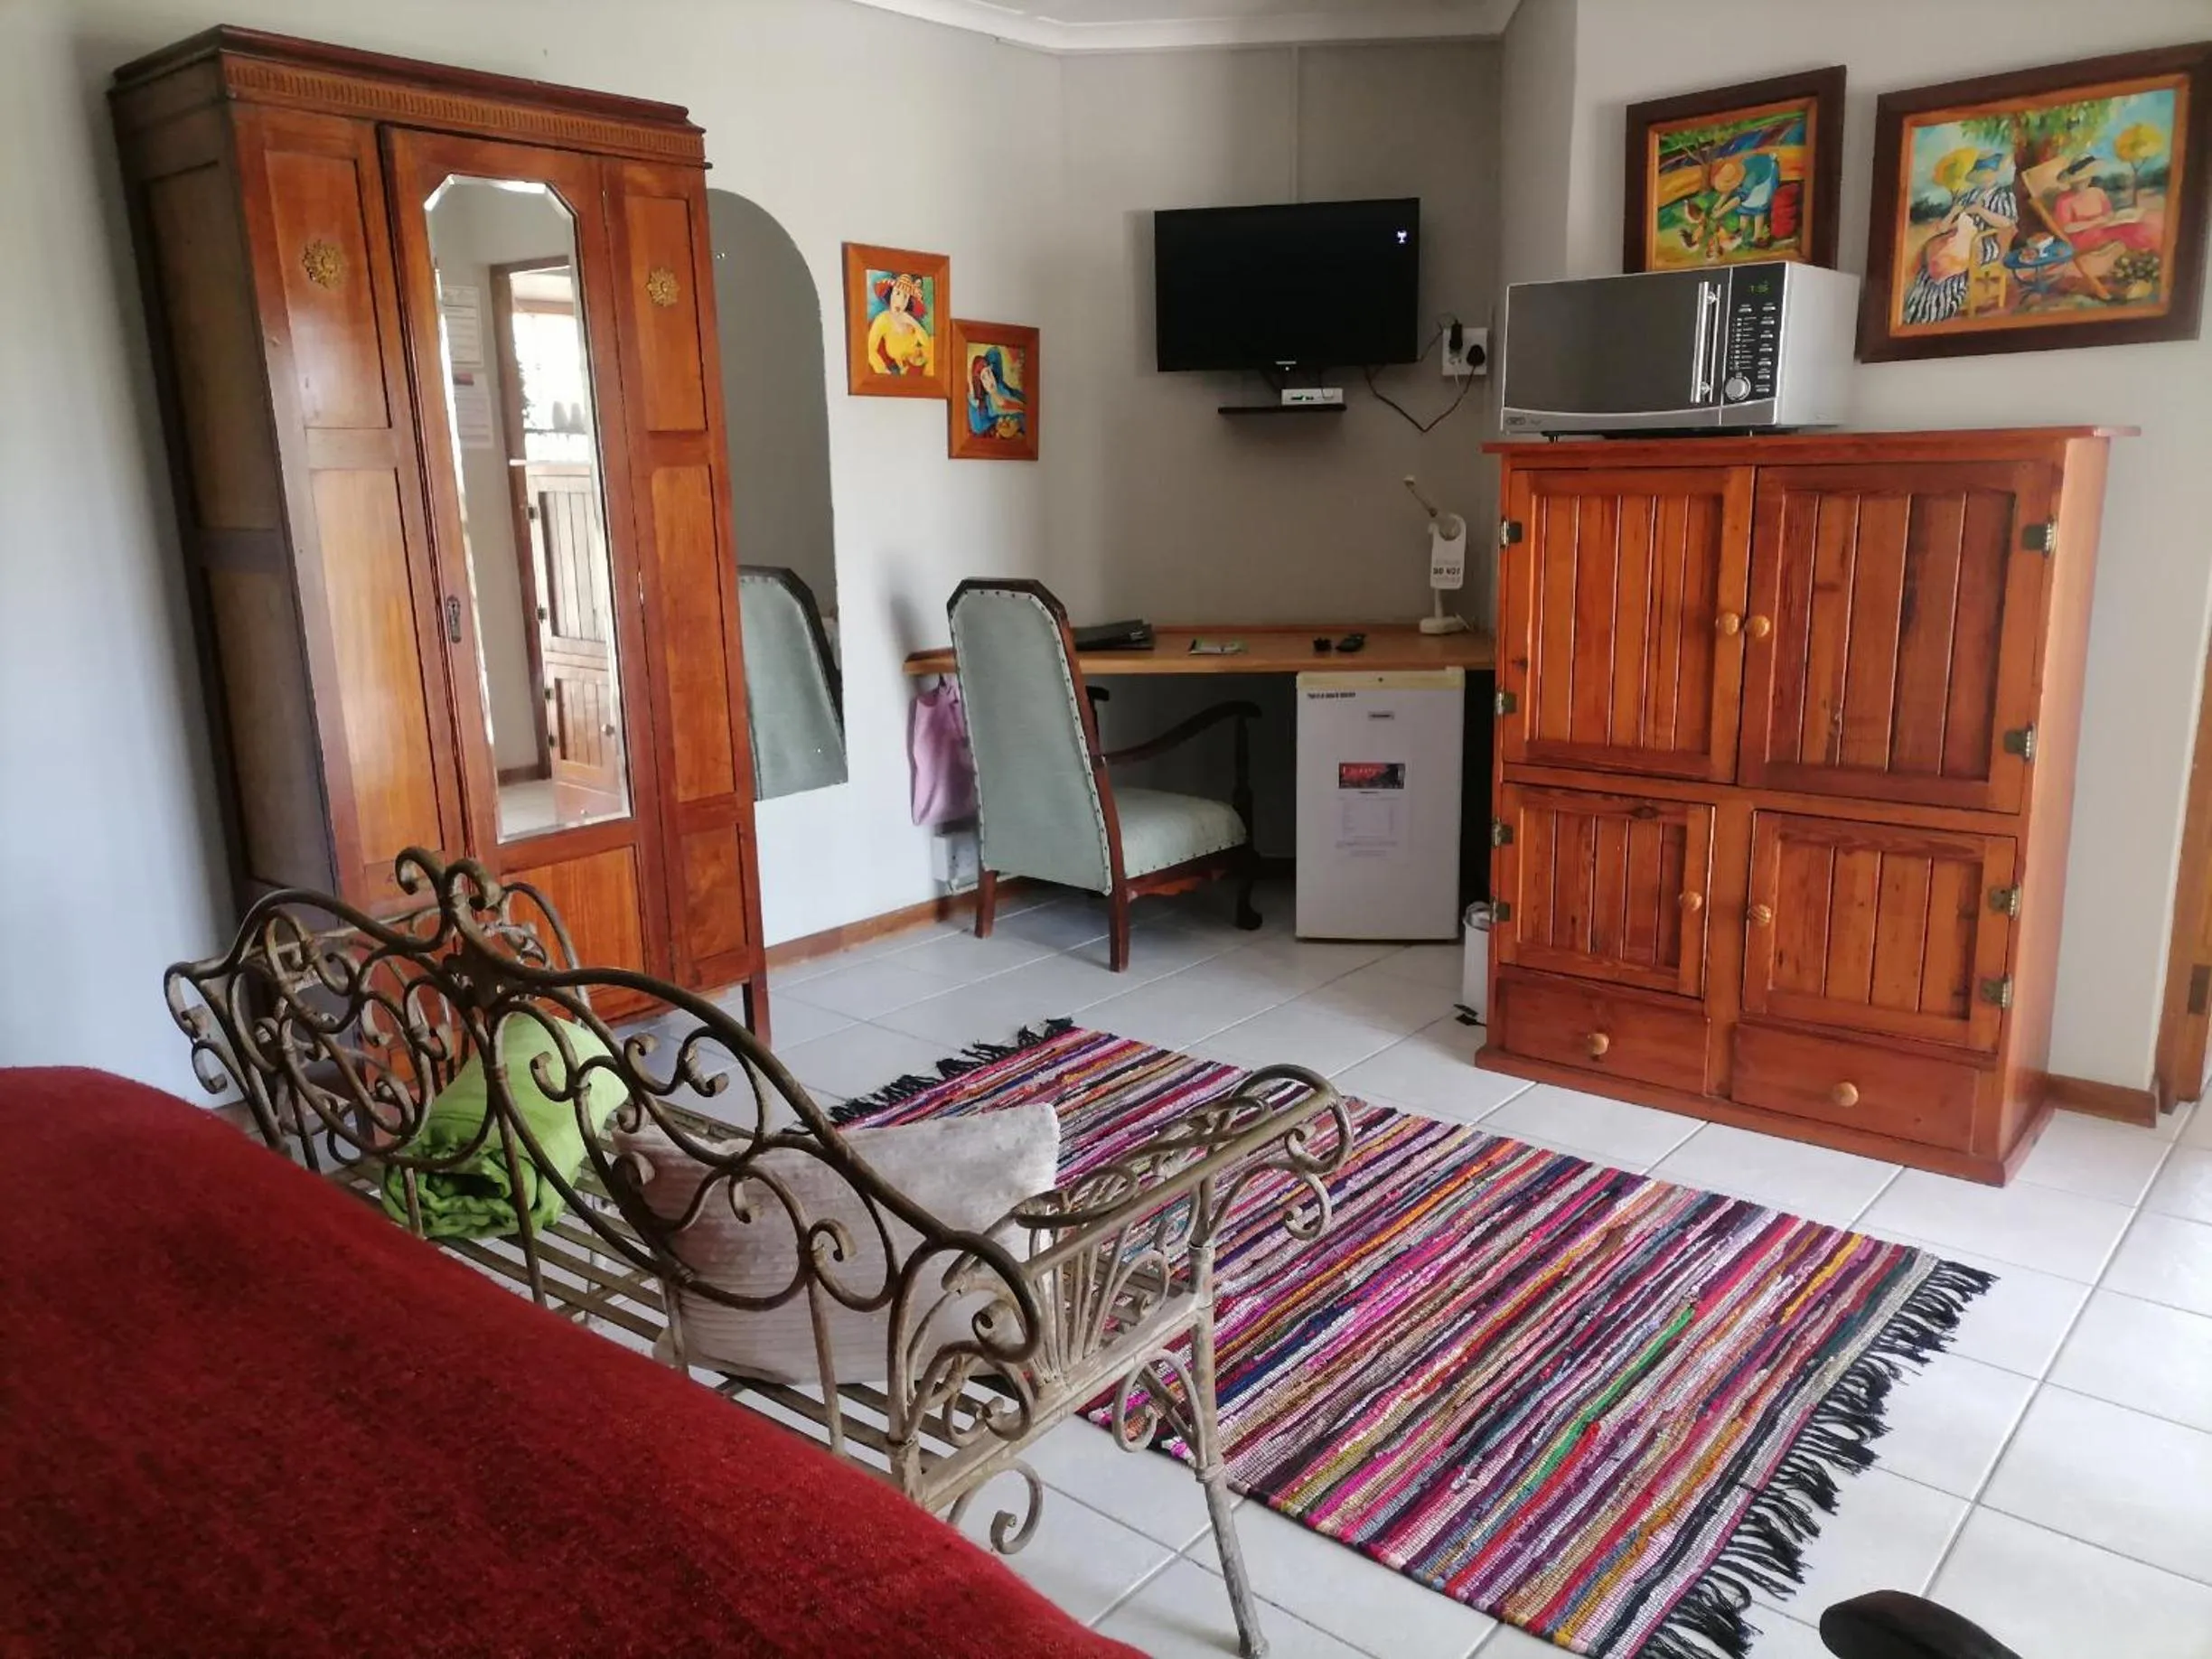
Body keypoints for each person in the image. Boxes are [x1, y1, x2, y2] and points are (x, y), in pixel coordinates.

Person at [1901, 149, 2017, 325]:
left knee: (1952, 265)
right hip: (1960, 240)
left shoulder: (2003, 195)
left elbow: (2006, 223)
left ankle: (1939, 308)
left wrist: (1980, 211)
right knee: (1933, 265)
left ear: (1994, 174)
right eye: (1981, 174)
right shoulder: (1969, 196)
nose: (1985, 177)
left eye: (1987, 173)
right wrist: (1952, 214)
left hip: (1984, 243)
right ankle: (1918, 310)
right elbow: (1945, 227)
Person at [2048, 153, 2159, 256]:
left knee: (2134, 226)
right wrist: (2095, 222)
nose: (2083, 183)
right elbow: (2067, 228)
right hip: (2082, 238)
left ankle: (2145, 254)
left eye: (2086, 179)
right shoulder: (2064, 200)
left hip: (2104, 229)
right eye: (2079, 181)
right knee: (2121, 232)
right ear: (2072, 181)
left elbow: (2109, 213)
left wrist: (2115, 218)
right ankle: (2141, 255)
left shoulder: (2097, 192)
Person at [866, 272, 933, 377]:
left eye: (905, 297)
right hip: (899, 372)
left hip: (921, 366)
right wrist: (883, 371)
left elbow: (926, 344)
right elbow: (870, 350)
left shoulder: (911, 319)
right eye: (897, 293)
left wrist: (913, 323)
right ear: (890, 293)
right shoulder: (883, 319)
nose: (900, 301)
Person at [967, 344, 1025, 437]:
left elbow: (994, 351)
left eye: (989, 372)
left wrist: (983, 365)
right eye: (984, 377)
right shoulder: (989, 406)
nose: (990, 380)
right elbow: (977, 428)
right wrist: (971, 386)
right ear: (981, 383)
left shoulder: (1000, 384)